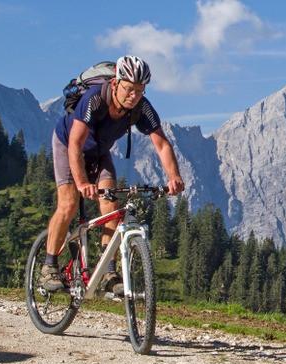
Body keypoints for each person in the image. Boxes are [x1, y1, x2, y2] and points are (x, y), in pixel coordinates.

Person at [39, 55, 184, 293]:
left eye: (140, 90)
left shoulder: (142, 107)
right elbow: (75, 144)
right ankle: (49, 267)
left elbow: (162, 144)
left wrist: (174, 176)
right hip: (68, 146)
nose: (134, 95)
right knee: (68, 204)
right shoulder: (94, 99)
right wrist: (83, 182)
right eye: (128, 89)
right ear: (116, 83)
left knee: (112, 208)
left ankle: (108, 271)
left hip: (99, 152)